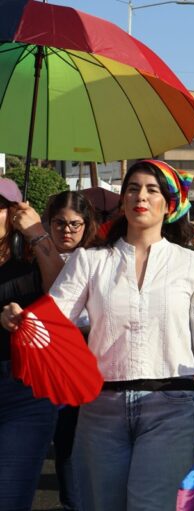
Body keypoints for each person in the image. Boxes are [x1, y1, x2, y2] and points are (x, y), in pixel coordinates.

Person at [4, 161, 194, 511]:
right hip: (101, 409)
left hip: (169, 405)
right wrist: (23, 319)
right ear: (124, 200)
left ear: (169, 204)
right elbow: (57, 317)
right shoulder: (89, 261)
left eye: (151, 189)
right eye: (132, 188)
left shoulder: (192, 264)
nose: (140, 196)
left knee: (151, 506)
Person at [0, 179, 65, 511]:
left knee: (9, 498)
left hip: (25, 391)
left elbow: (65, 295)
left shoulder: (33, 254)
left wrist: (38, 233)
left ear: (14, 213)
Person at [43, 191, 99, 511]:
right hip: (49, 361)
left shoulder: (97, 260)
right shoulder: (35, 257)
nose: (67, 231)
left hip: (89, 360)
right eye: (59, 223)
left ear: (86, 225)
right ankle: (71, 502)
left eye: (75, 224)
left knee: (87, 439)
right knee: (63, 440)